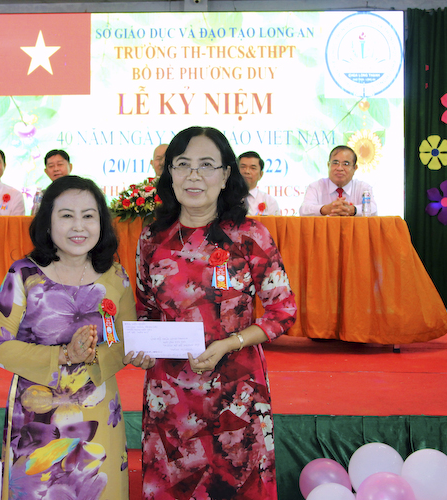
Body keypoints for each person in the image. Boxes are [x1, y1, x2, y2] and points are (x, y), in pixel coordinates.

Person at [133, 126, 297, 499]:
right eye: (183, 164)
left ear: (225, 175)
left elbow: (282, 311)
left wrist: (228, 343)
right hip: (169, 393)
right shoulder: (152, 238)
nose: (194, 175)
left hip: (235, 390)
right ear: (169, 173)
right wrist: (141, 348)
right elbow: (145, 310)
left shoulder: (250, 235)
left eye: (206, 165)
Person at [0, 175, 137, 500]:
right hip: (37, 417)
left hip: (98, 406)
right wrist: (64, 355)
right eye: (66, 215)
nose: (78, 226)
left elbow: (126, 340)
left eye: (88, 216)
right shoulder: (23, 274)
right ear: (48, 221)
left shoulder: (116, 275)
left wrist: (122, 354)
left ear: (101, 222)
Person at [299, 145, 377, 216]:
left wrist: (353, 210)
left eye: (346, 164)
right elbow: (304, 210)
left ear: (355, 168)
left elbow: (373, 209)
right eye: (335, 163)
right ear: (328, 165)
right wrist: (325, 209)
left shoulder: (363, 188)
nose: (339, 168)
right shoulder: (315, 187)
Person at [31, 149, 73, 215]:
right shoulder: (42, 195)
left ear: (70, 167)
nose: (56, 169)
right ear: (46, 171)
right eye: (51, 166)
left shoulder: (81, 191)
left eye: (60, 164)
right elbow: (35, 218)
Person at [238, 150, 281, 216]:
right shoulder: (226, 197)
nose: (247, 171)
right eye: (243, 167)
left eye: (253, 168)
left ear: (261, 174)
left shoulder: (270, 202)